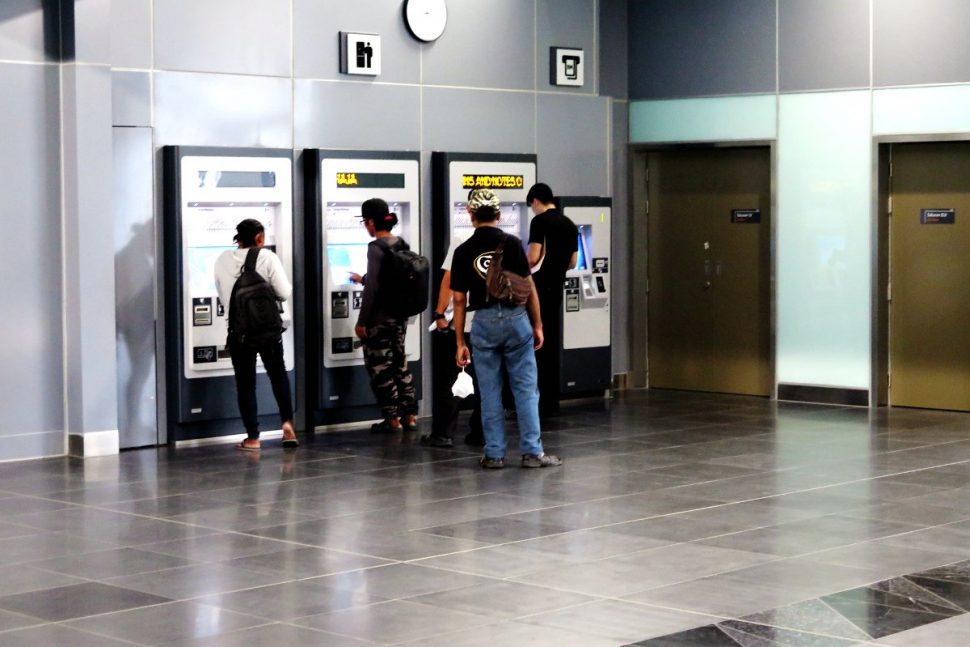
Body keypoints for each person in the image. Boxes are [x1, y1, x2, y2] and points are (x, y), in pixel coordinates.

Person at [451, 188, 562, 469]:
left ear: (470, 214)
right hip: (515, 319)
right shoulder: (511, 244)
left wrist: (459, 342)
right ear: (499, 215)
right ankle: (532, 452)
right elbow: (530, 287)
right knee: (525, 389)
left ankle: (494, 454)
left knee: (489, 392)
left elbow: (459, 299)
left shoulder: (462, 251)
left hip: (484, 322)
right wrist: (537, 324)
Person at [214, 218, 298, 451]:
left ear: (238, 238)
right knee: (278, 375)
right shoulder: (268, 257)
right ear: (259, 237)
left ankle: (253, 438)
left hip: (239, 331)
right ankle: (287, 426)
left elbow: (223, 297)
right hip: (267, 330)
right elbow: (284, 292)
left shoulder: (221, 259)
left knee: (245, 383)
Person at [349, 198, 419, 434]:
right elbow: (393, 281)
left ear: (370, 222)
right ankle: (410, 416)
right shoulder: (401, 243)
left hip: (378, 320)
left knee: (380, 368)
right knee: (400, 365)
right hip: (399, 318)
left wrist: (361, 322)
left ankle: (392, 419)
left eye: (364, 222)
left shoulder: (375, 248)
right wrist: (362, 278)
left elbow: (374, 290)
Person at [422, 232, 484, 448]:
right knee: (487, 379)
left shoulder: (462, 238)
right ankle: (481, 433)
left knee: (450, 377)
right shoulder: (507, 239)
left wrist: (439, 312)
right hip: (490, 321)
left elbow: (450, 278)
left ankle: (443, 433)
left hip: (463, 320)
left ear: (470, 211)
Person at [526, 182, 578, 418]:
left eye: (531, 207)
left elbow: (533, 257)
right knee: (552, 342)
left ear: (536, 201)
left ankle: (532, 402)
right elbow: (573, 262)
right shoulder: (569, 224)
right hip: (557, 287)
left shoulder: (540, 222)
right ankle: (551, 402)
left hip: (537, 289)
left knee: (535, 343)